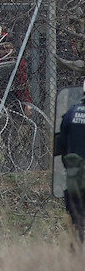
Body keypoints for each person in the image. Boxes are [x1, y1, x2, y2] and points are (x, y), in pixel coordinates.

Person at [56, 80, 85, 245]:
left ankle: (76, 261)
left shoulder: (71, 114)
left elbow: (61, 147)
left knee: (77, 228)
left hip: (76, 181)